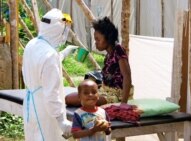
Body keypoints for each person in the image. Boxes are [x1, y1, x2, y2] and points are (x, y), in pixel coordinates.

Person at [22, 8, 78, 141]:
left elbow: (41, 63)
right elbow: (51, 93)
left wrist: (64, 53)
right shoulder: (50, 55)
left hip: (31, 104)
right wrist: (61, 120)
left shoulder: (32, 44)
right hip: (45, 111)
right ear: (57, 29)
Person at [65, 16, 133, 106]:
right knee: (69, 98)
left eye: (98, 39)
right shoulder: (108, 54)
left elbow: (127, 76)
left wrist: (123, 103)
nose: (96, 42)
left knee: (81, 100)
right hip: (104, 91)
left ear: (108, 38)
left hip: (117, 95)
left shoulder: (118, 51)